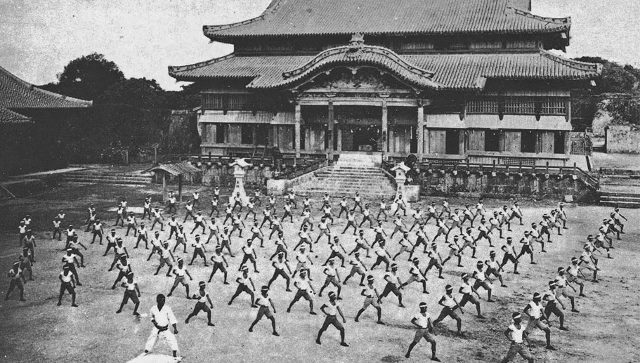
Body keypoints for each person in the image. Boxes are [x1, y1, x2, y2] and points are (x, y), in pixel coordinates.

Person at [142, 294, 180, 360]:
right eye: (161, 300)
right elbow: (151, 316)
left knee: (171, 339)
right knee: (152, 337)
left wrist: (175, 328)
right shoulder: (153, 308)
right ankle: (147, 349)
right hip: (157, 327)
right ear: (157, 300)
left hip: (165, 328)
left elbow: (172, 318)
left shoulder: (167, 308)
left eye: (164, 300)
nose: (163, 302)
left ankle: (174, 351)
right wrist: (155, 323)